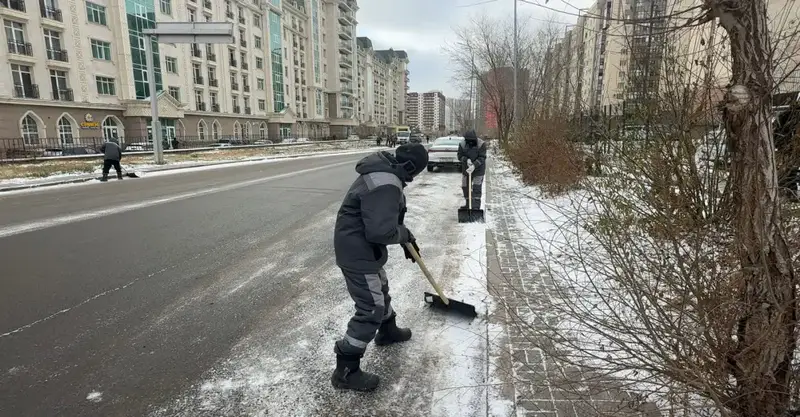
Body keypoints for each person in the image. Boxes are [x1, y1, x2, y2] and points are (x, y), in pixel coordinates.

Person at [331, 143, 429, 392]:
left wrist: (406, 238)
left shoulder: (386, 173)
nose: (414, 177)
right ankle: (346, 370)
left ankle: (387, 330)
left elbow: (385, 220)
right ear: (411, 168)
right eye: (417, 172)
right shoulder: (386, 182)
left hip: (363, 249)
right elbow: (381, 231)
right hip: (357, 253)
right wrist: (402, 234)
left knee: (380, 288)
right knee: (371, 307)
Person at [458, 130, 487, 209]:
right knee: (465, 186)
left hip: (479, 170)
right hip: (466, 169)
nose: (470, 142)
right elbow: (459, 156)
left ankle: (475, 207)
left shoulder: (481, 144)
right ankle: (468, 204)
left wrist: (474, 165)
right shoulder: (462, 144)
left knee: (476, 187)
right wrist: (466, 160)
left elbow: (482, 157)